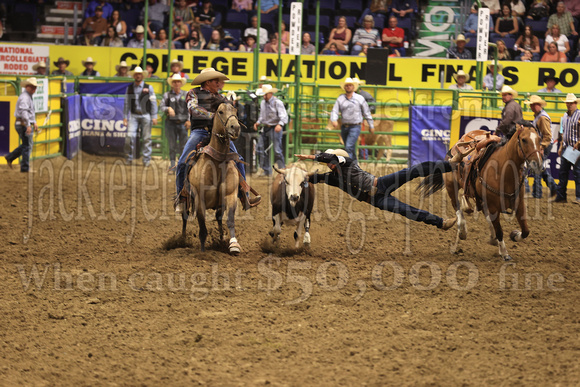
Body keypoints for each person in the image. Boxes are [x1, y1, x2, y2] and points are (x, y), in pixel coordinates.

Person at [296, 149, 458, 230]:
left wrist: (311, 157)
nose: (329, 165)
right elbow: (312, 178)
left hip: (380, 184)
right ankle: (441, 223)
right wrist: (297, 175)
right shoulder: (332, 177)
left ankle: (450, 165)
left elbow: (330, 158)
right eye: (327, 164)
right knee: (406, 210)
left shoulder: (347, 162)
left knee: (413, 171)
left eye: (329, 162)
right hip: (375, 200)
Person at [175, 68, 260, 213]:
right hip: (200, 131)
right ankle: (182, 198)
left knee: (238, 160)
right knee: (183, 162)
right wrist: (214, 116)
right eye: (216, 81)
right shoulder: (193, 93)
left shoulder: (222, 98)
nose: (219, 83)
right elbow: (194, 109)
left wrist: (233, 111)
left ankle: (244, 196)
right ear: (208, 82)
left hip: (220, 135)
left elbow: (231, 110)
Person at [330, 78, 374, 161]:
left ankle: (348, 167)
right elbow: (335, 110)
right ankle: (355, 167)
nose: (348, 87)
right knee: (351, 148)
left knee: (348, 146)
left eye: (350, 85)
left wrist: (371, 125)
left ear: (353, 87)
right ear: (345, 87)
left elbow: (366, 112)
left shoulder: (359, 98)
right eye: (347, 85)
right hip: (344, 126)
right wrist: (334, 119)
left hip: (355, 126)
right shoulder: (340, 99)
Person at [523, 95, 558, 199]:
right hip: (540, 145)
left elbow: (547, 136)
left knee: (537, 168)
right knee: (539, 168)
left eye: (535, 105)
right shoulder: (539, 116)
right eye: (532, 105)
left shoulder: (542, 118)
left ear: (539, 105)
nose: (533, 107)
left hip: (543, 145)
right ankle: (553, 187)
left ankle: (537, 193)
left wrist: (542, 147)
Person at [122, 66, 158, 167]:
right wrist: (125, 116)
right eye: (136, 74)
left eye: (140, 74)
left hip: (146, 115)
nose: (138, 75)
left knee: (146, 138)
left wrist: (154, 116)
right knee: (129, 136)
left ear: (142, 76)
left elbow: (153, 102)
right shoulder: (129, 88)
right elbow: (126, 103)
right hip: (134, 115)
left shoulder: (149, 87)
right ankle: (129, 157)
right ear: (134, 76)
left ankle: (146, 160)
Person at [253, 84, 288, 176]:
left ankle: (282, 170)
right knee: (260, 148)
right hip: (266, 127)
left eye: (266, 94)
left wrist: (280, 124)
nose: (264, 96)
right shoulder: (263, 103)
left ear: (270, 93)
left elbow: (284, 117)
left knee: (277, 150)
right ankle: (267, 170)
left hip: (275, 127)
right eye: (263, 95)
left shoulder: (277, 103)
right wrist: (258, 122)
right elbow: (262, 116)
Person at [551, 93, 580, 204]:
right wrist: (561, 145)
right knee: (563, 172)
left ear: (575, 103)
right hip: (566, 148)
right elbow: (564, 133)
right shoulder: (565, 116)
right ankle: (561, 196)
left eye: (571, 103)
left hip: (577, 148)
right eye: (568, 103)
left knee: (577, 173)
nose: (569, 105)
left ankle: (578, 197)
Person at [4, 78, 37, 173]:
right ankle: (25, 168)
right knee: (27, 145)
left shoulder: (26, 96)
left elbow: (28, 112)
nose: (34, 89)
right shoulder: (25, 97)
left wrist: (33, 122)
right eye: (32, 87)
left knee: (26, 144)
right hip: (22, 123)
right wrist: (28, 125)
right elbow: (24, 112)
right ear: (27, 87)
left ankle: (10, 157)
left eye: (35, 87)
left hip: (21, 123)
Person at [160, 74, 190, 172]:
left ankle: (181, 166)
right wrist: (168, 108)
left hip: (182, 123)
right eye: (174, 82)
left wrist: (189, 120)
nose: (176, 83)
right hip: (171, 123)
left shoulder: (186, 95)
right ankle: (173, 165)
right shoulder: (167, 95)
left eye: (178, 81)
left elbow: (189, 109)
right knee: (172, 146)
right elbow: (161, 107)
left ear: (181, 83)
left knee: (183, 146)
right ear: (172, 83)